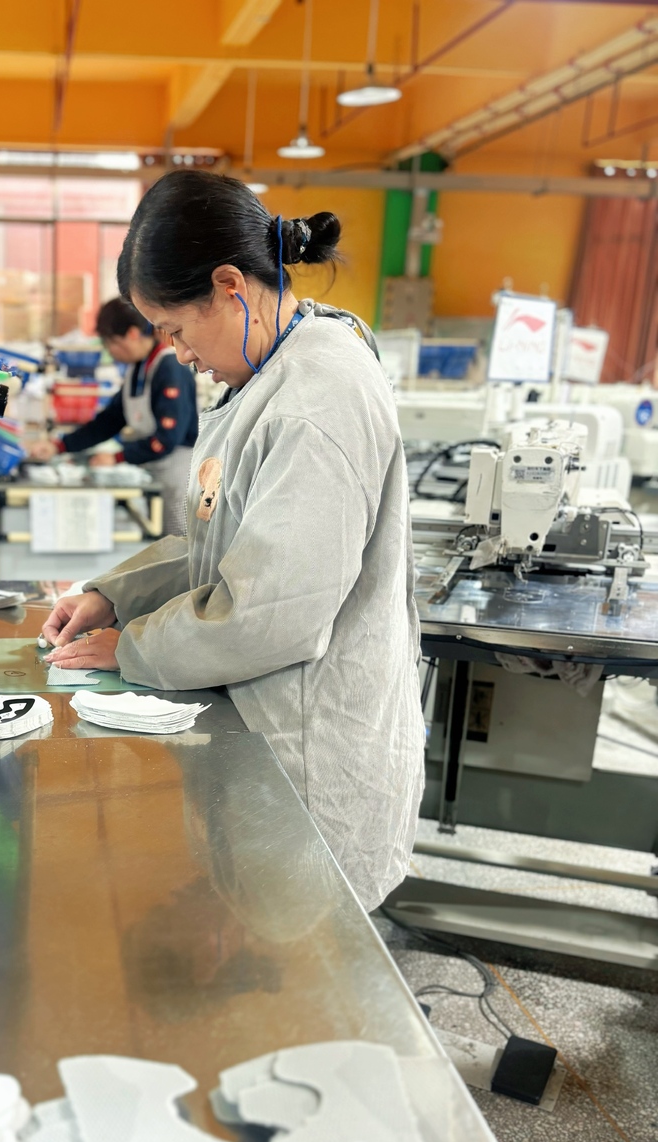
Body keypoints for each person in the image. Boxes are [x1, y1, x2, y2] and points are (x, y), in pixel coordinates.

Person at [40, 170, 425, 912]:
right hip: (265, 726)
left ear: (229, 286)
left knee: (303, 937)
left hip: (311, 748)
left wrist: (133, 647)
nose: (178, 354)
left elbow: (269, 611)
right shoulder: (266, 372)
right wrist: (113, 594)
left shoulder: (317, 396)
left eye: (177, 330)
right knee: (257, 919)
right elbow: (223, 539)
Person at [27, 296, 197, 535]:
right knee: (159, 543)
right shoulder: (138, 369)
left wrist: (118, 457)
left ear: (132, 334)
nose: (109, 351)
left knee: (181, 544)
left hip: (177, 474)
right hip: (154, 471)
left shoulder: (169, 367)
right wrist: (59, 446)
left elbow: (168, 438)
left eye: (110, 343)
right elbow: (108, 422)